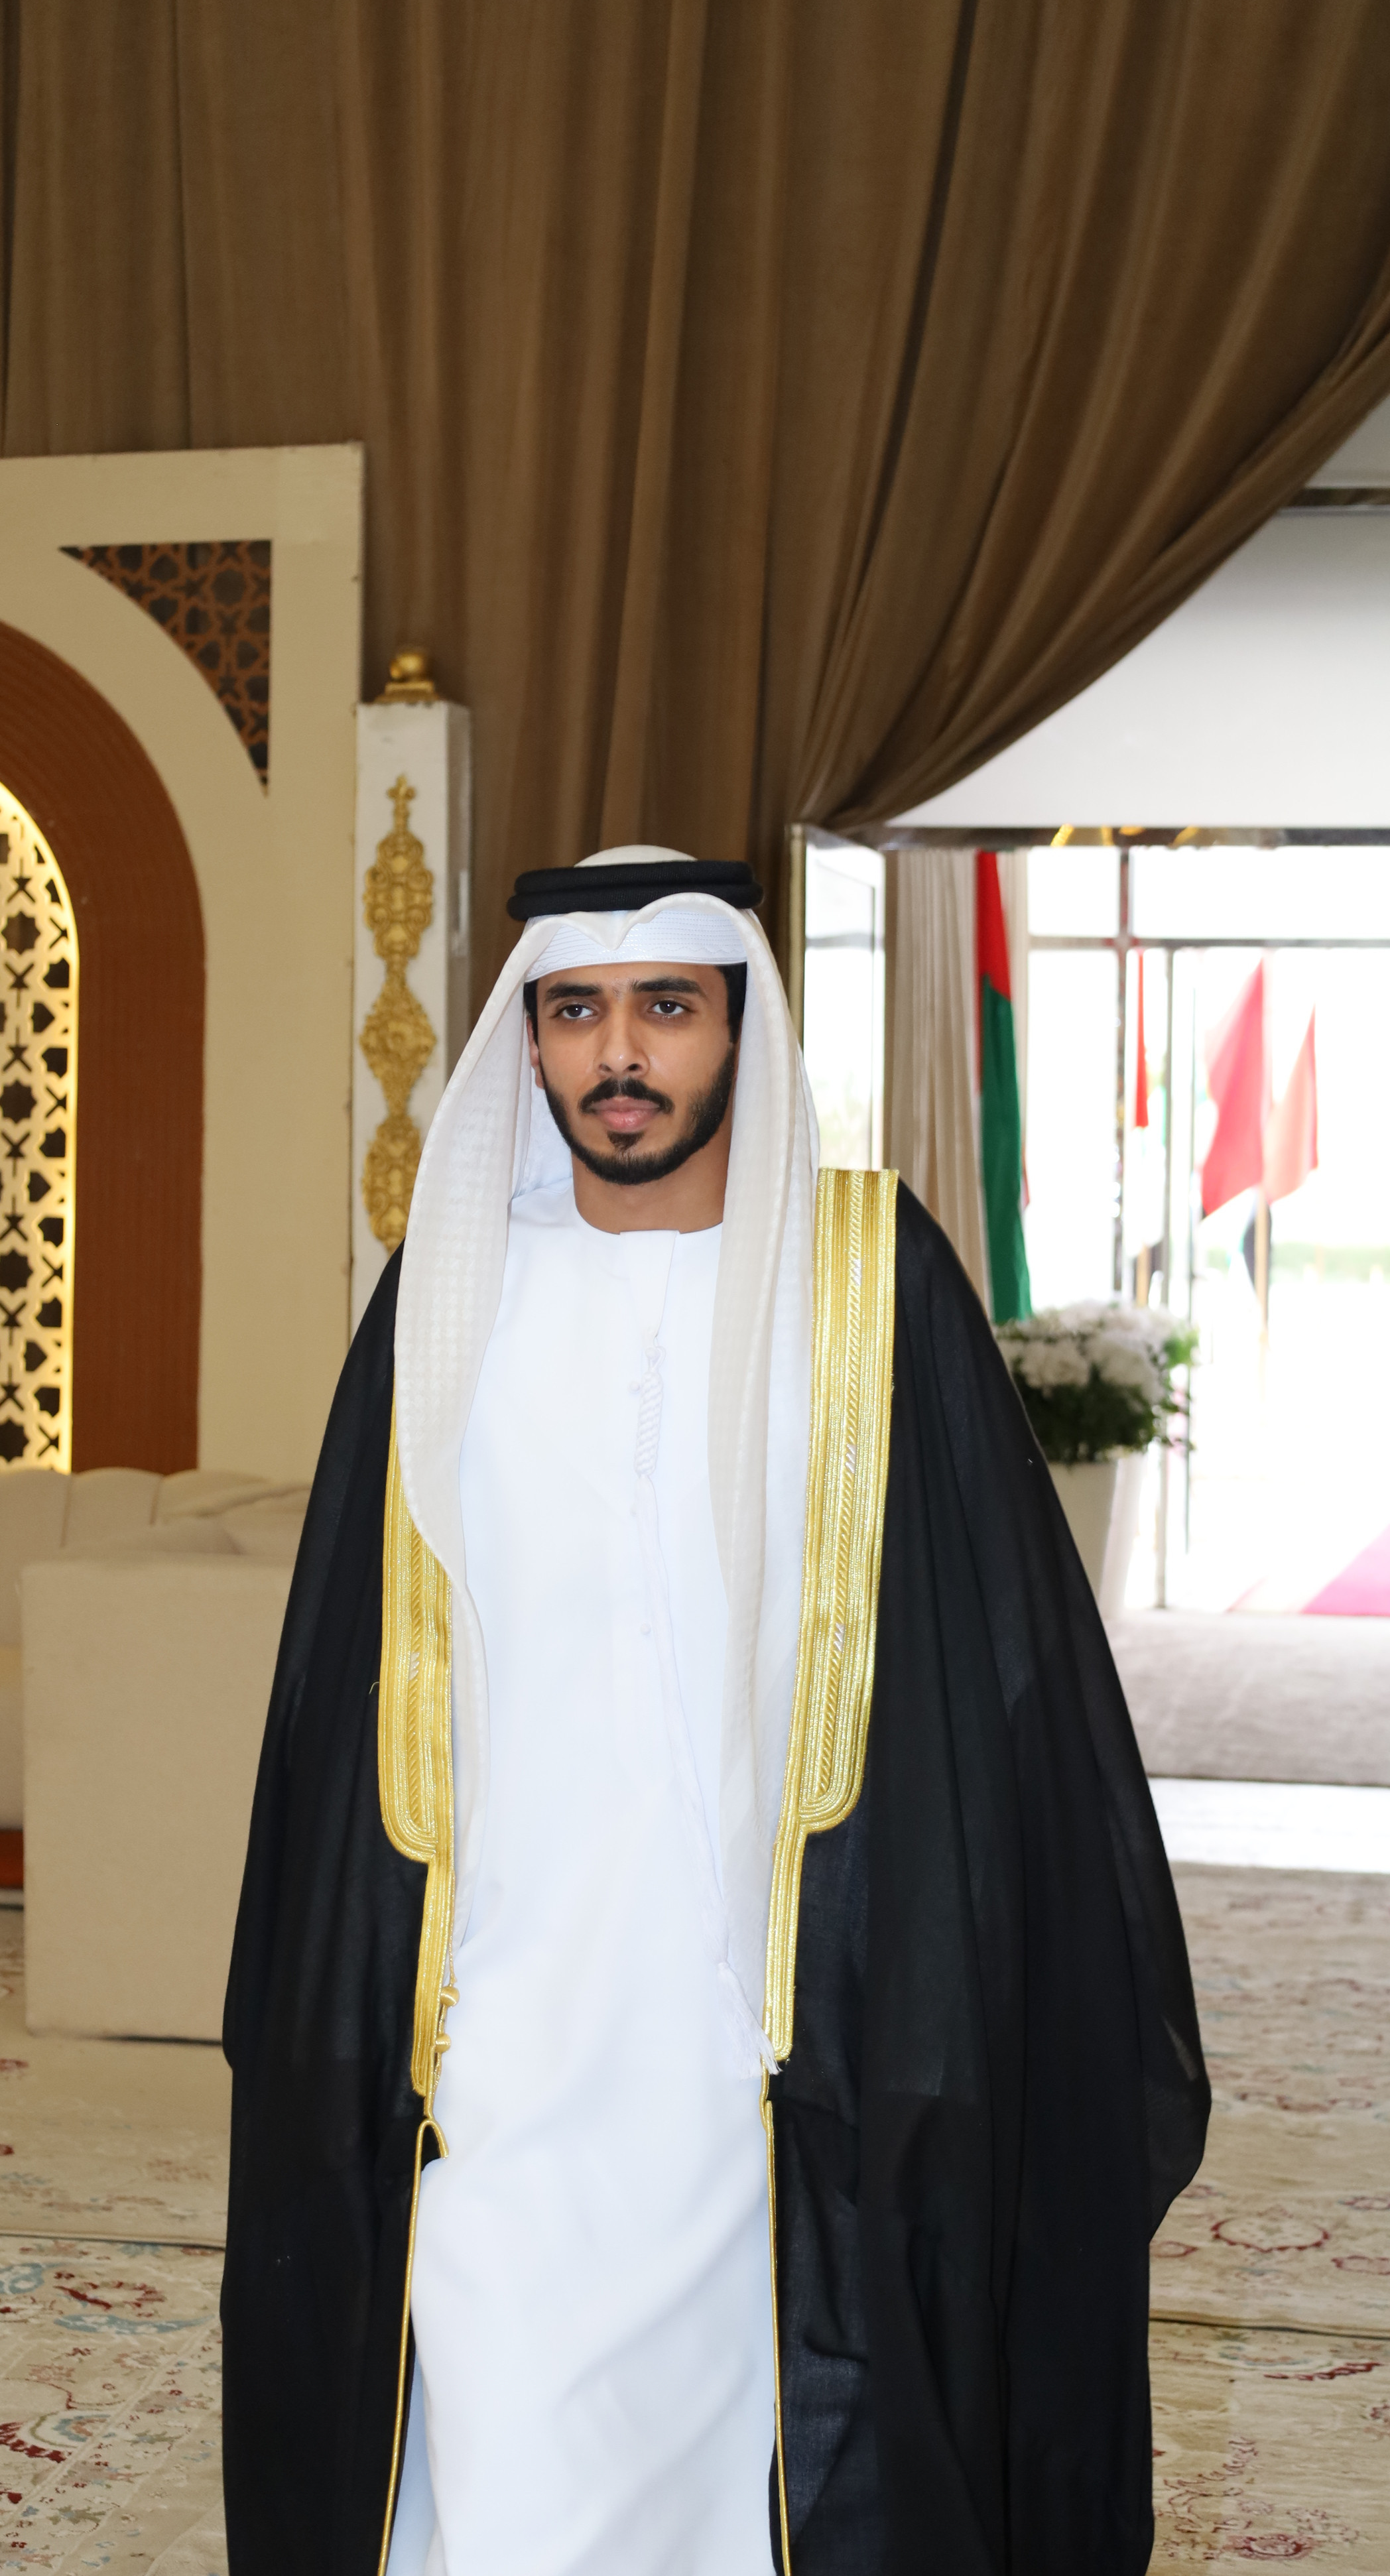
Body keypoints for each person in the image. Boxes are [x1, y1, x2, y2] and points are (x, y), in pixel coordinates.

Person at [221, 847, 1208, 2576]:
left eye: (666, 1008)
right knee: (497, 2393)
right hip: (502, 1999)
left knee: (766, 2423)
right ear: (529, 1042)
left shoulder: (868, 1283)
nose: (619, 1053)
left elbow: (1001, 1661)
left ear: (741, 1029)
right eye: (576, 1011)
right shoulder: (450, 1294)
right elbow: (341, 1683)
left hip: (768, 2012)